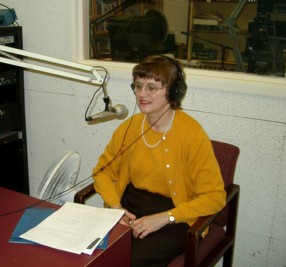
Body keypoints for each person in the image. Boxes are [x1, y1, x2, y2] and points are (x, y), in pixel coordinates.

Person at [92, 55, 226, 267]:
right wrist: (116, 207)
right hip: (131, 204)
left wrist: (166, 217)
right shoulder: (130, 127)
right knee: (95, 251)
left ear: (173, 91)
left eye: (151, 87)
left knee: (130, 260)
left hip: (176, 214)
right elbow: (102, 172)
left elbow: (215, 197)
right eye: (137, 86)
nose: (142, 94)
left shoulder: (191, 133)